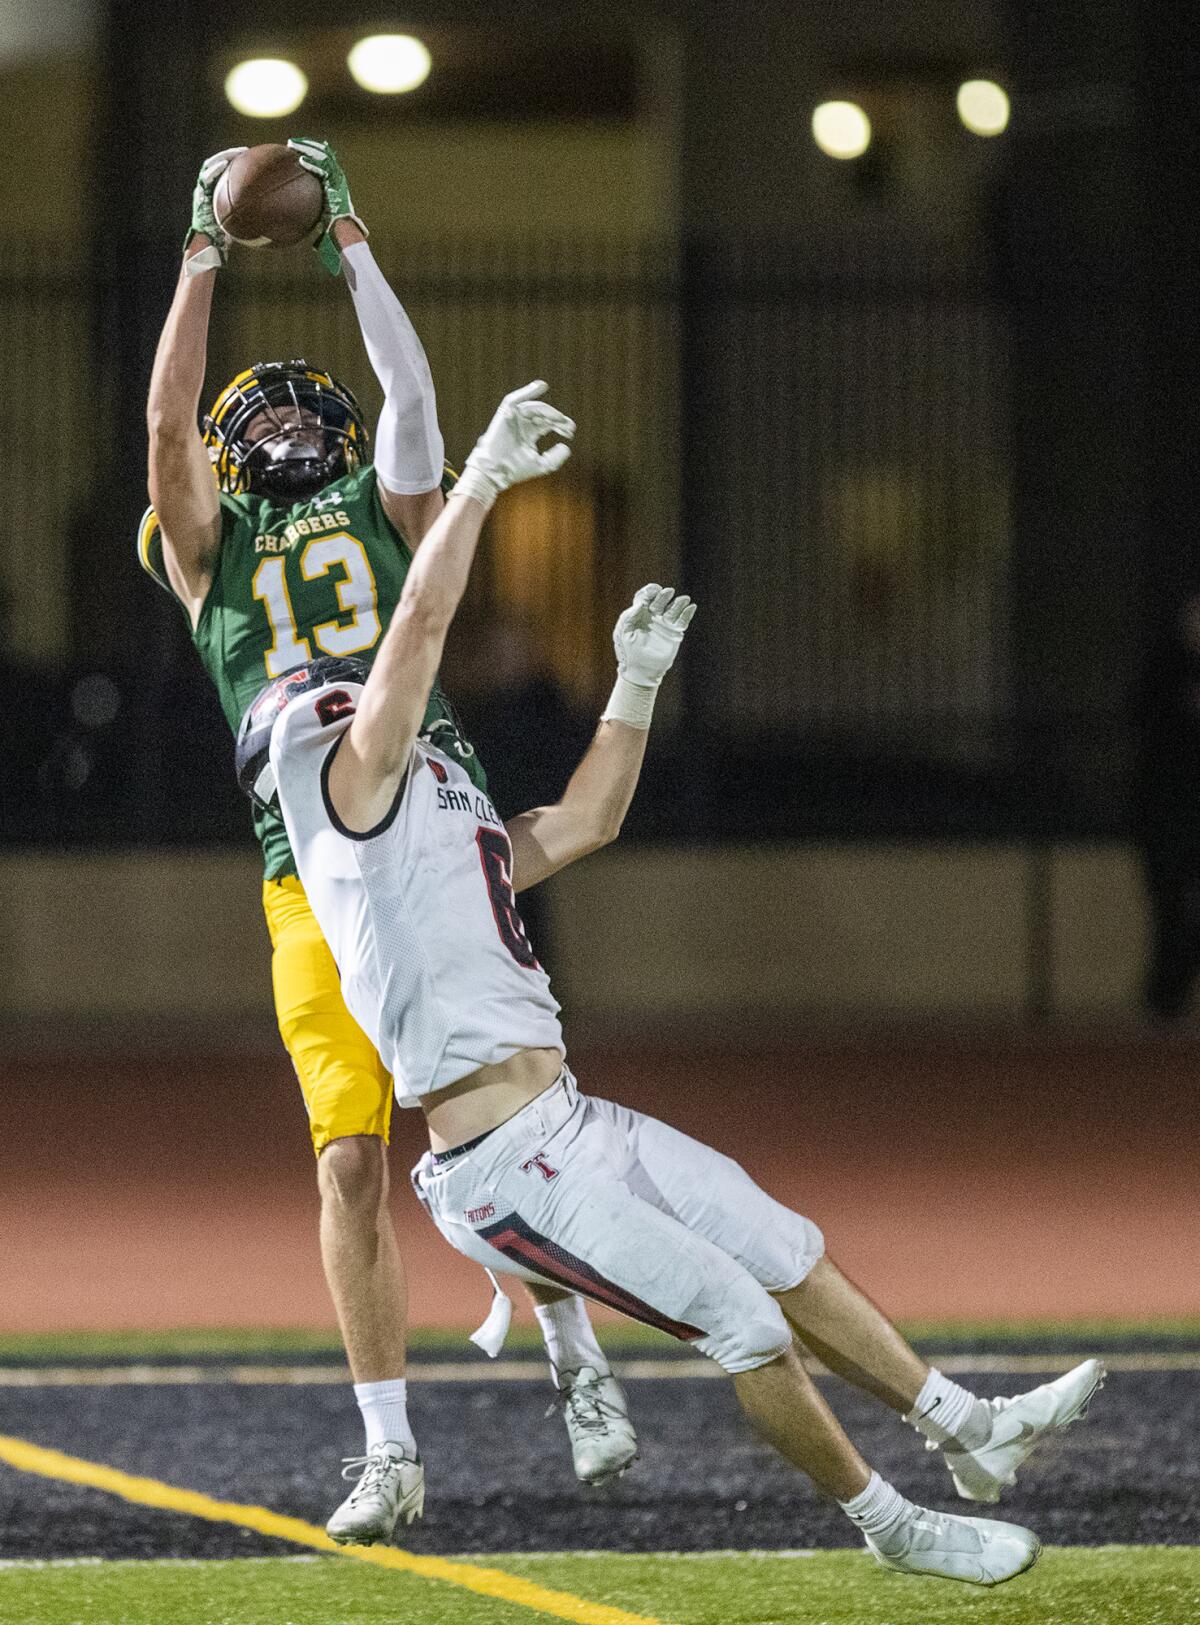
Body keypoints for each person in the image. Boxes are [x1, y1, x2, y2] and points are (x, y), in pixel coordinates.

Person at [239, 381, 1105, 1578]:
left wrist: (633, 682)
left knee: (786, 1247)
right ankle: (892, 1525)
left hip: (572, 1117)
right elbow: (417, 638)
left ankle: (967, 1427)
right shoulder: (344, 804)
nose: (358, 690)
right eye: (331, 696)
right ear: (297, 748)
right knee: (742, 1321)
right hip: (500, 1166)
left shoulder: (434, 801)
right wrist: (477, 479)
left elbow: (583, 819)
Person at [139, 141, 635, 1540]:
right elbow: (170, 426)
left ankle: (575, 1354)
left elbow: (414, 399)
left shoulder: (386, 507)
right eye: (265, 411)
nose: (289, 423)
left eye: (310, 405)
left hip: (432, 840)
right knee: (351, 1162)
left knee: (498, 1126)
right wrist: (199, 255)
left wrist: (351, 233)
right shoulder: (203, 551)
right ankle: (391, 1447)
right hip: (311, 880)